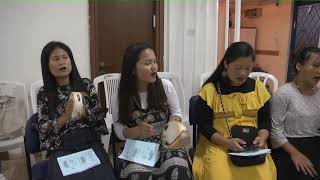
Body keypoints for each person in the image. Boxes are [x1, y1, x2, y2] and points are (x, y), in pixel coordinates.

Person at [192, 42, 276, 180]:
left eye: (248, 68)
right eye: (238, 68)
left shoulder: (259, 89)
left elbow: (265, 121)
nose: (243, 73)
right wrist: (227, 143)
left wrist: (262, 137)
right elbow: (205, 127)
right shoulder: (210, 90)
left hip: (251, 146)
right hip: (219, 144)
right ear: (226, 64)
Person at [111, 42, 193, 180]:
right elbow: (119, 130)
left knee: (178, 169)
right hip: (137, 146)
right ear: (132, 69)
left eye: (155, 61)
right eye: (148, 63)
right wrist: (137, 131)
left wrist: (172, 126)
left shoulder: (166, 86)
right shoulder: (119, 96)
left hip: (166, 142)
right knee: (137, 175)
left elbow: (176, 113)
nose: (154, 66)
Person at [37, 41, 116, 180]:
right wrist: (66, 116)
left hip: (89, 141)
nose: (62, 62)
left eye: (65, 57)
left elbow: (98, 122)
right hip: (62, 145)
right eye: (56, 59)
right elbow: (43, 128)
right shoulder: (44, 93)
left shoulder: (86, 85)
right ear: (47, 65)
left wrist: (88, 109)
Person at [270, 47, 320, 180]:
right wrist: (296, 154)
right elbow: (275, 132)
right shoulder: (284, 94)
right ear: (299, 66)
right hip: (288, 148)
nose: (319, 71)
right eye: (315, 66)